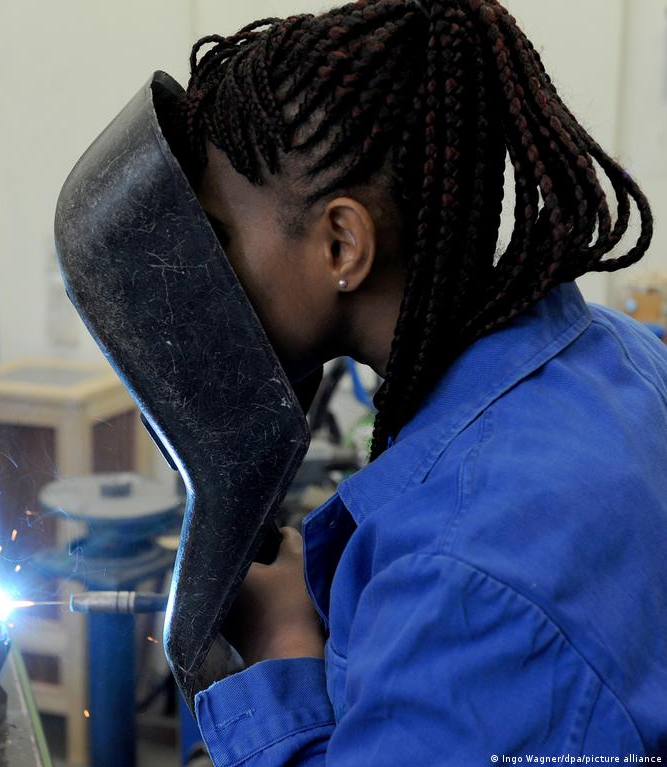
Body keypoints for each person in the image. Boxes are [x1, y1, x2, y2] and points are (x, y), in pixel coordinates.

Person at [179, 0, 667, 762]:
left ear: (342, 244)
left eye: (219, 237)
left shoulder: (462, 576)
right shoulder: (616, 349)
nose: (205, 274)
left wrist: (282, 648)